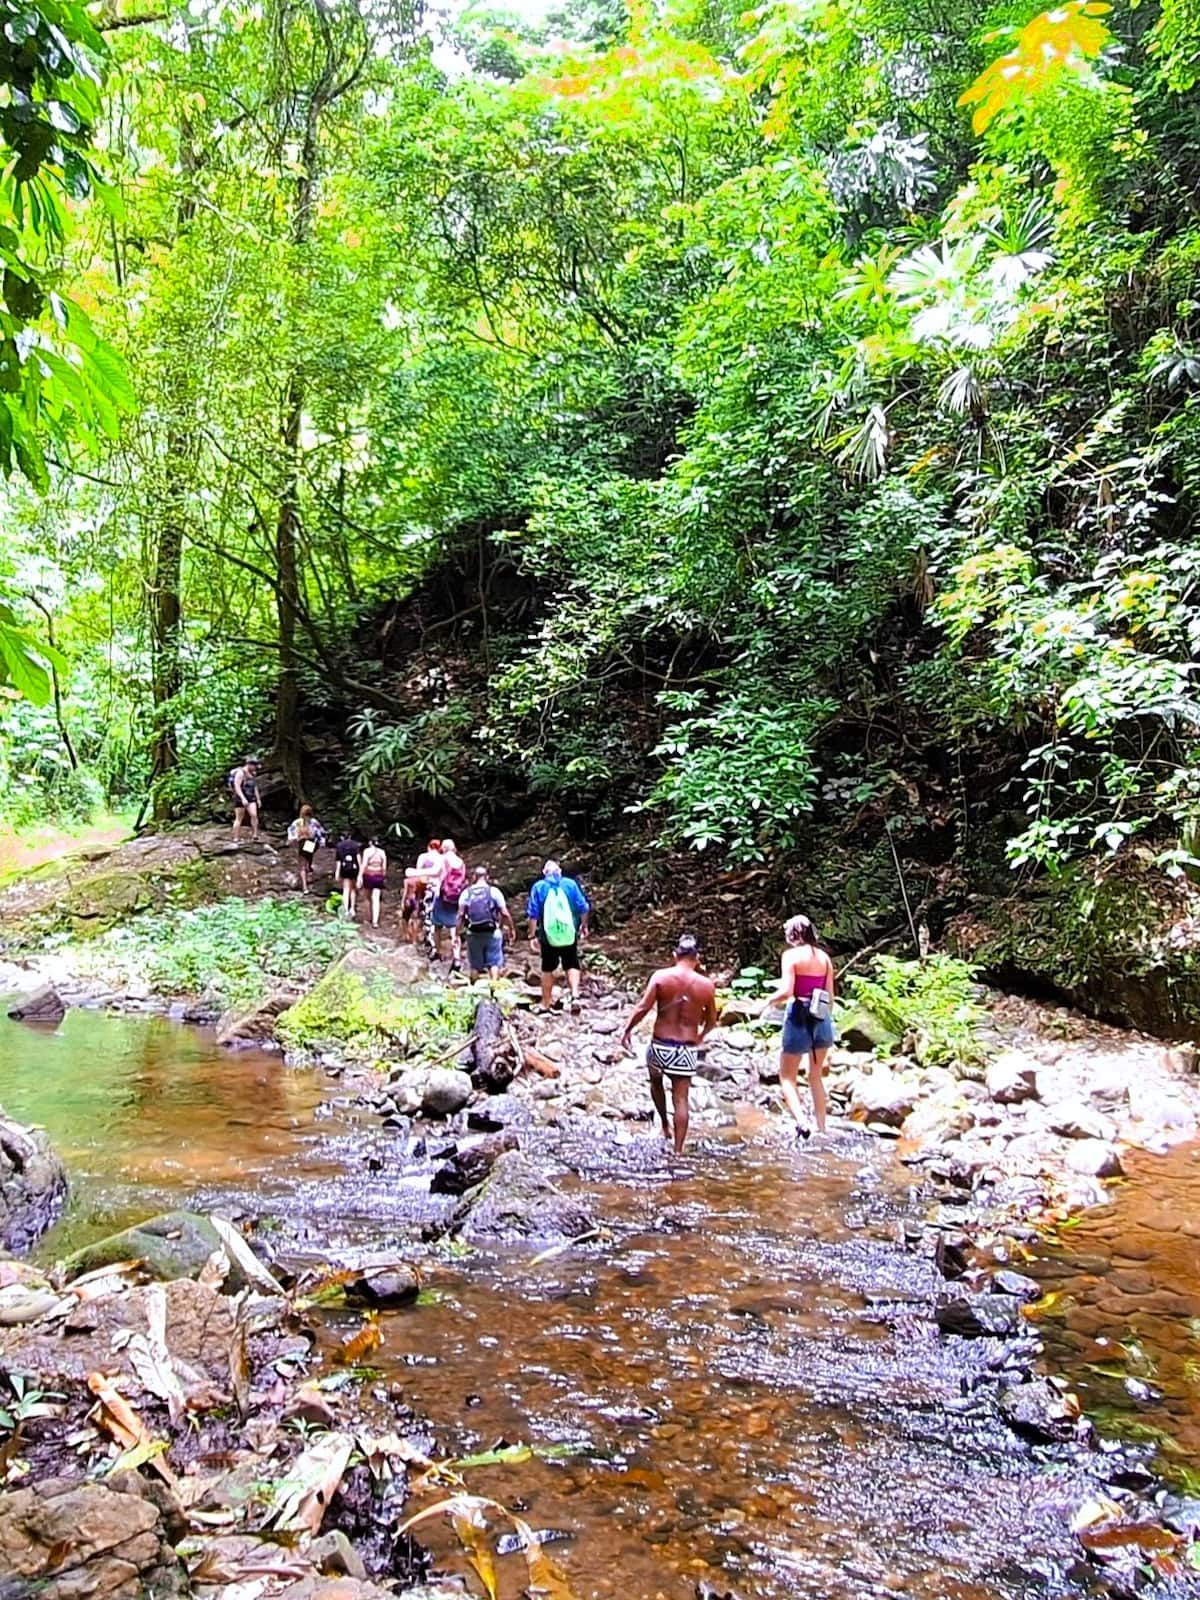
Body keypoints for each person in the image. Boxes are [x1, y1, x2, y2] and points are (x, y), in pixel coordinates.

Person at [620, 935, 718, 1155]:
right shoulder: (706, 986)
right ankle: (678, 1150)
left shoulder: (661, 977)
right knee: (681, 1098)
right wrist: (701, 1037)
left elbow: (643, 1008)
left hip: (660, 1046)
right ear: (697, 958)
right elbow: (712, 1021)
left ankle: (664, 1124)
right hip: (685, 1049)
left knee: (656, 1083)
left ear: (675, 956)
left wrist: (627, 1030)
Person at [765, 913, 836, 1136]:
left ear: (793, 934)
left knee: (787, 1076)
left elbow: (787, 991)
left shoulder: (791, 956)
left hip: (798, 1016)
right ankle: (822, 1129)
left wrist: (767, 1001)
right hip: (821, 1017)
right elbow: (830, 996)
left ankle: (802, 1122)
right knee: (815, 1076)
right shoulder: (824, 958)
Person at [526, 859, 590, 1013]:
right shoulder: (570, 884)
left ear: (544, 873)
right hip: (569, 933)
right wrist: (584, 926)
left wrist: (531, 935)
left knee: (547, 968)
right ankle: (574, 995)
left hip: (548, 936)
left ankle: (546, 1003)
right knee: (572, 963)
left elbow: (533, 914)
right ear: (559, 871)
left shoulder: (539, 887)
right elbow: (583, 907)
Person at [456, 866, 516, 982]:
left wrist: (457, 933)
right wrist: (511, 928)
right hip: (492, 932)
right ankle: (494, 993)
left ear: (474, 877)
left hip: (473, 933)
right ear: (487, 877)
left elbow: (460, 915)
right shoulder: (494, 892)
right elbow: (504, 913)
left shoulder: (466, 893)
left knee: (475, 966)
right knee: (494, 963)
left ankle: (474, 992)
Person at [430, 837, 467, 967]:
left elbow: (437, 874)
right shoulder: (460, 862)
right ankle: (456, 957)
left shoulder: (443, 859)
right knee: (454, 928)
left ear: (444, 849)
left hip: (442, 896)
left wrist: (416, 873)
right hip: (456, 898)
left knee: (437, 925)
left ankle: (437, 951)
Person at [404, 838, 443, 950]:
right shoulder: (441, 858)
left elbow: (417, 873)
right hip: (435, 888)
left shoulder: (423, 857)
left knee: (418, 913)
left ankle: (418, 940)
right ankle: (432, 940)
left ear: (428, 847)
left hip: (422, 887)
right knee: (432, 914)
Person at [286, 803, 325, 894]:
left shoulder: (297, 822)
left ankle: (305, 887)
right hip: (311, 843)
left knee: (302, 865)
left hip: (302, 843)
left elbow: (291, 833)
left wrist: (290, 841)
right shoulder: (314, 822)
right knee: (309, 855)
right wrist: (322, 843)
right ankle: (310, 867)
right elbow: (321, 833)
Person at [358, 836, 388, 929]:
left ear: (370, 842)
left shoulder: (367, 851)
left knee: (368, 897)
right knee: (376, 898)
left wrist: (360, 876)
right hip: (378, 876)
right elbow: (384, 867)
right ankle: (375, 921)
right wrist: (383, 876)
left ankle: (369, 916)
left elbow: (364, 864)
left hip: (369, 875)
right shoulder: (382, 852)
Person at [334, 828, 362, 918]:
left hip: (344, 868)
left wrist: (337, 873)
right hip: (354, 869)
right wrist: (360, 873)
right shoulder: (355, 845)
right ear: (350, 836)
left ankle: (345, 909)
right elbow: (359, 859)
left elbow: (338, 861)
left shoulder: (339, 846)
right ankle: (352, 909)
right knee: (353, 889)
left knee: (346, 890)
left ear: (342, 837)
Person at [231, 758, 261, 842]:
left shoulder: (253, 774)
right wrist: (242, 798)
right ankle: (236, 837)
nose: (255, 768)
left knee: (254, 815)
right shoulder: (240, 773)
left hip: (251, 797)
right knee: (239, 818)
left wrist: (258, 799)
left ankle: (255, 834)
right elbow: (237, 786)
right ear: (249, 764)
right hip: (240, 798)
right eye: (254, 766)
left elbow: (254, 786)